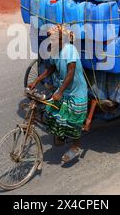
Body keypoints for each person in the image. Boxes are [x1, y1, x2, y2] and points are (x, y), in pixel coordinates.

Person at [28, 24, 88, 164]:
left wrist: (60, 92)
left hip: (76, 92)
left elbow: (70, 73)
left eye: (54, 39)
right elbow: (52, 68)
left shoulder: (70, 50)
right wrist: (36, 81)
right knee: (50, 113)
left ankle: (75, 146)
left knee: (73, 123)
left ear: (62, 39)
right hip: (63, 89)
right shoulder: (55, 51)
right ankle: (61, 135)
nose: (51, 41)